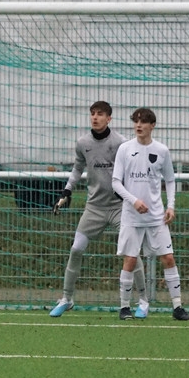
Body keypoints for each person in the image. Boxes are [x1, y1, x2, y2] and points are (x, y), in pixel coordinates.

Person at [49, 101, 149, 318]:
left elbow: (133, 170)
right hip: (94, 207)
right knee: (76, 249)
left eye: (100, 114)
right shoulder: (83, 142)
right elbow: (77, 168)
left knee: (131, 253)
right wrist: (67, 191)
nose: (95, 117)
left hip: (119, 207)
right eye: (92, 114)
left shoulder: (121, 143)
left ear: (109, 118)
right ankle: (67, 298)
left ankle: (143, 301)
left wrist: (130, 194)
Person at [111, 107, 189, 321]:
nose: (138, 125)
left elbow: (170, 180)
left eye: (143, 122)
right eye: (136, 121)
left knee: (168, 258)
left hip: (156, 216)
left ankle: (177, 307)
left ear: (152, 125)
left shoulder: (161, 150)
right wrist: (134, 201)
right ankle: (124, 307)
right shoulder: (125, 149)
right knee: (130, 259)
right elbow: (116, 182)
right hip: (131, 216)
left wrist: (171, 206)